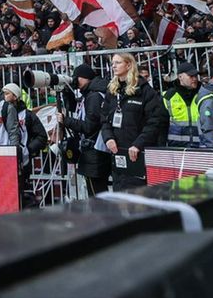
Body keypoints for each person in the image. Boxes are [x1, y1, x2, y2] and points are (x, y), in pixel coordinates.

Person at [99, 53, 164, 189]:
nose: (114, 66)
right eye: (112, 63)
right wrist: (108, 138)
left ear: (128, 65)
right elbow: (104, 119)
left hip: (138, 153)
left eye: (118, 62)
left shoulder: (144, 90)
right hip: (118, 152)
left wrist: (139, 144)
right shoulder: (112, 90)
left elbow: (155, 121)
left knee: (138, 197)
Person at [59, 64, 107, 196]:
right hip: (95, 151)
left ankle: (102, 216)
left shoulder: (94, 96)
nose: (75, 80)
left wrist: (66, 121)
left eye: (77, 78)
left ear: (86, 78)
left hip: (95, 151)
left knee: (96, 193)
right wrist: (67, 92)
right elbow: (75, 107)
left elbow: (89, 127)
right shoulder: (90, 95)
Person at [3, 82, 47, 208]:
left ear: (15, 97)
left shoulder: (27, 115)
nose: (3, 96)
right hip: (2, 157)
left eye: (7, 94)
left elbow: (42, 136)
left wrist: (28, 150)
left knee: (19, 191)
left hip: (22, 160)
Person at [162, 62, 202, 147]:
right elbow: (161, 123)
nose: (194, 79)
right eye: (191, 76)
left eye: (195, 76)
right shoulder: (168, 96)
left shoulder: (203, 94)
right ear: (180, 77)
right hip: (176, 148)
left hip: (201, 146)